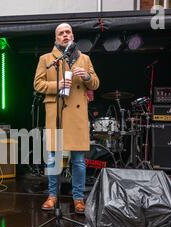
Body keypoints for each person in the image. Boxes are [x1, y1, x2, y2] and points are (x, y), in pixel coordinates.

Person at [34, 23, 100, 214]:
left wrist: (87, 77)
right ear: (56, 38)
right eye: (61, 33)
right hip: (57, 113)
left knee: (78, 161)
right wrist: (58, 84)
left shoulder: (85, 59)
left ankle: (78, 199)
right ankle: (52, 196)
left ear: (73, 35)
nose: (65, 35)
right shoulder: (46, 59)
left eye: (67, 32)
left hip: (78, 116)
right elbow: (38, 84)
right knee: (54, 159)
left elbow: (96, 83)